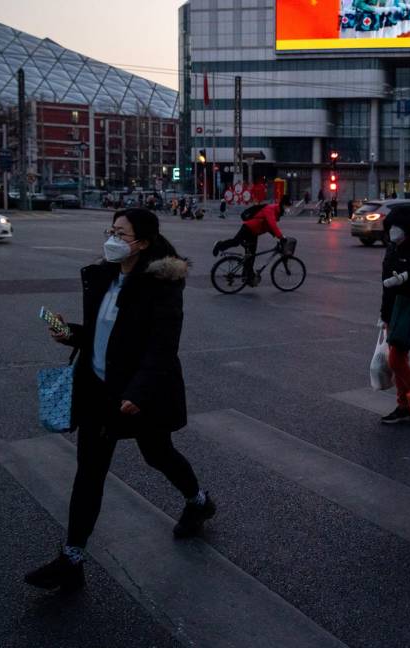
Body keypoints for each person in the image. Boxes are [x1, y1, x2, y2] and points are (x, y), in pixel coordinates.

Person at [24, 208, 213, 592]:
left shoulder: (160, 286)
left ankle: (198, 501)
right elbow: (101, 334)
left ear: (141, 243)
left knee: (157, 454)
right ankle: (72, 558)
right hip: (97, 390)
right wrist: (70, 334)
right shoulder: (104, 276)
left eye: (121, 233)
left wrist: (138, 392)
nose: (111, 238)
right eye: (110, 229)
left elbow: (162, 347)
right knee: (89, 473)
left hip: (141, 393)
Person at [379, 203, 410, 424]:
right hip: (394, 308)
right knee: (398, 358)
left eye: (397, 227)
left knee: (397, 360)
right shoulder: (392, 248)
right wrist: (384, 314)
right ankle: (405, 404)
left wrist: (405, 279)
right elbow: (385, 286)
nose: (393, 231)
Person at [211, 196, 285, 283]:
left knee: (251, 255)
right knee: (236, 242)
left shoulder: (275, 212)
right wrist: (280, 237)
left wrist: (280, 236)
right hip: (248, 228)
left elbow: (268, 227)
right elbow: (272, 225)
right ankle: (219, 245)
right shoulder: (270, 209)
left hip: (254, 233)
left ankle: (246, 276)